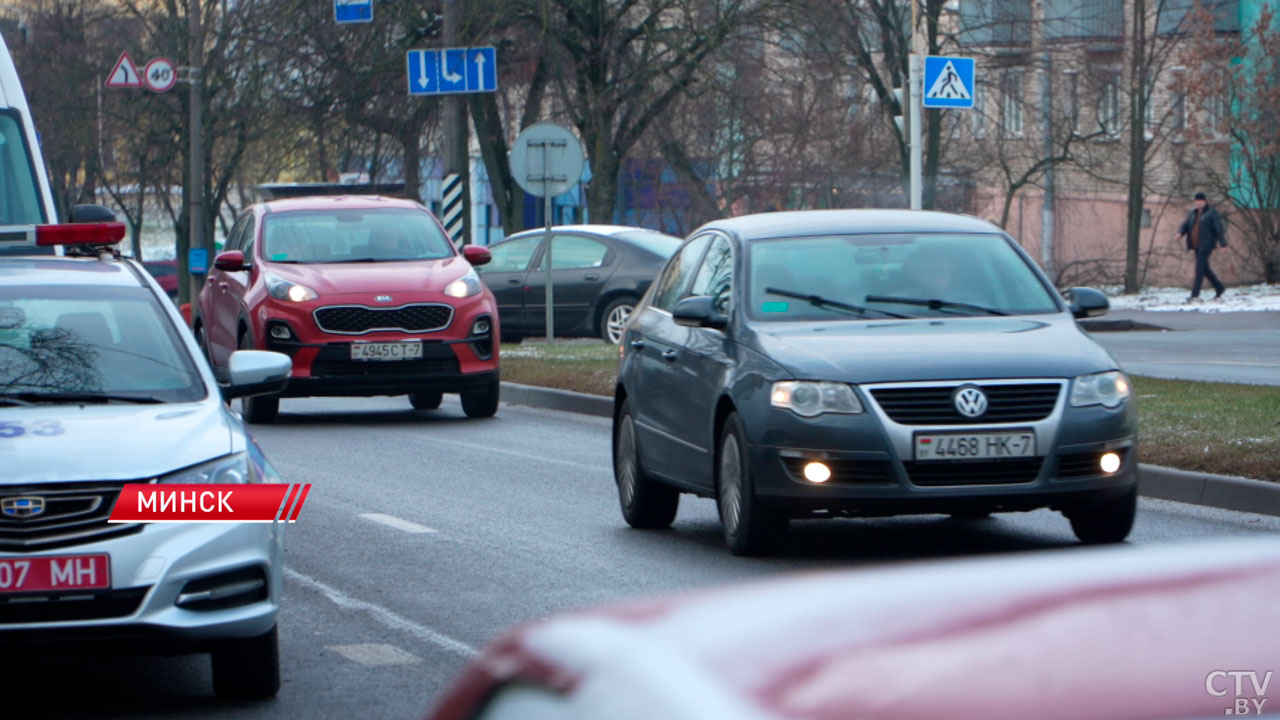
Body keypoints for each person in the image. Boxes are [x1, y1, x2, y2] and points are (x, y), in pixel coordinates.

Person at [1176, 192, 1227, 302]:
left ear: (1205, 202)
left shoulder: (1211, 213)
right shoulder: (1193, 213)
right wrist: (1180, 233)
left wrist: (1223, 243)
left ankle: (1195, 295)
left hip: (1206, 245)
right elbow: (1186, 224)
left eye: (1200, 201)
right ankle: (1219, 287)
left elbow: (1218, 229)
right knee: (1205, 269)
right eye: (1197, 201)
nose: (1198, 203)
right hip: (1196, 246)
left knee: (1199, 269)